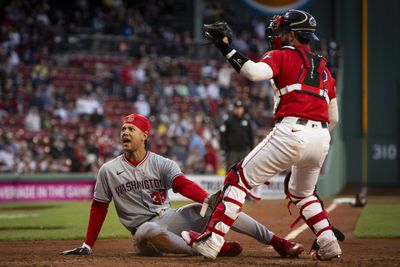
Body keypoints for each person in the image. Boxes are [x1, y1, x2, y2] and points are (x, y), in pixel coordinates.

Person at [181, 10, 342, 261]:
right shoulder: (323, 67)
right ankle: (328, 241)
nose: (276, 34)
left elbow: (254, 73)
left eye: (280, 30)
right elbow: (334, 119)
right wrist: (310, 142)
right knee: (303, 193)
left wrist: (226, 47)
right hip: (321, 137)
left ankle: (212, 240)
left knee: (237, 179)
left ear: (290, 33)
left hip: (291, 130)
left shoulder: (281, 55)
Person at [60, 113, 304, 257]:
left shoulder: (161, 163)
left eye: (131, 129)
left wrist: (208, 199)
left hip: (168, 217)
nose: (125, 132)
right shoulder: (108, 170)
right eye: (123, 129)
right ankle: (207, 248)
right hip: (143, 234)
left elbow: (181, 184)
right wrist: (87, 245)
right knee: (147, 231)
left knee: (224, 205)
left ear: (145, 135)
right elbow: (99, 207)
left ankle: (277, 242)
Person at [219, 100, 254, 172]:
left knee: (243, 171)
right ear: (234, 109)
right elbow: (222, 136)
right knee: (231, 171)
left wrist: (251, 148)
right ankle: (229, 183)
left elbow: (251, 135)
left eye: (240, 108)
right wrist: (223, 148)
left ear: (243, 109)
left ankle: (242, 184)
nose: (239, 110)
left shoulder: (246, 121)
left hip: (244, 150)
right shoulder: (228, 121)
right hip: (232, 151)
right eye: (237, 108)